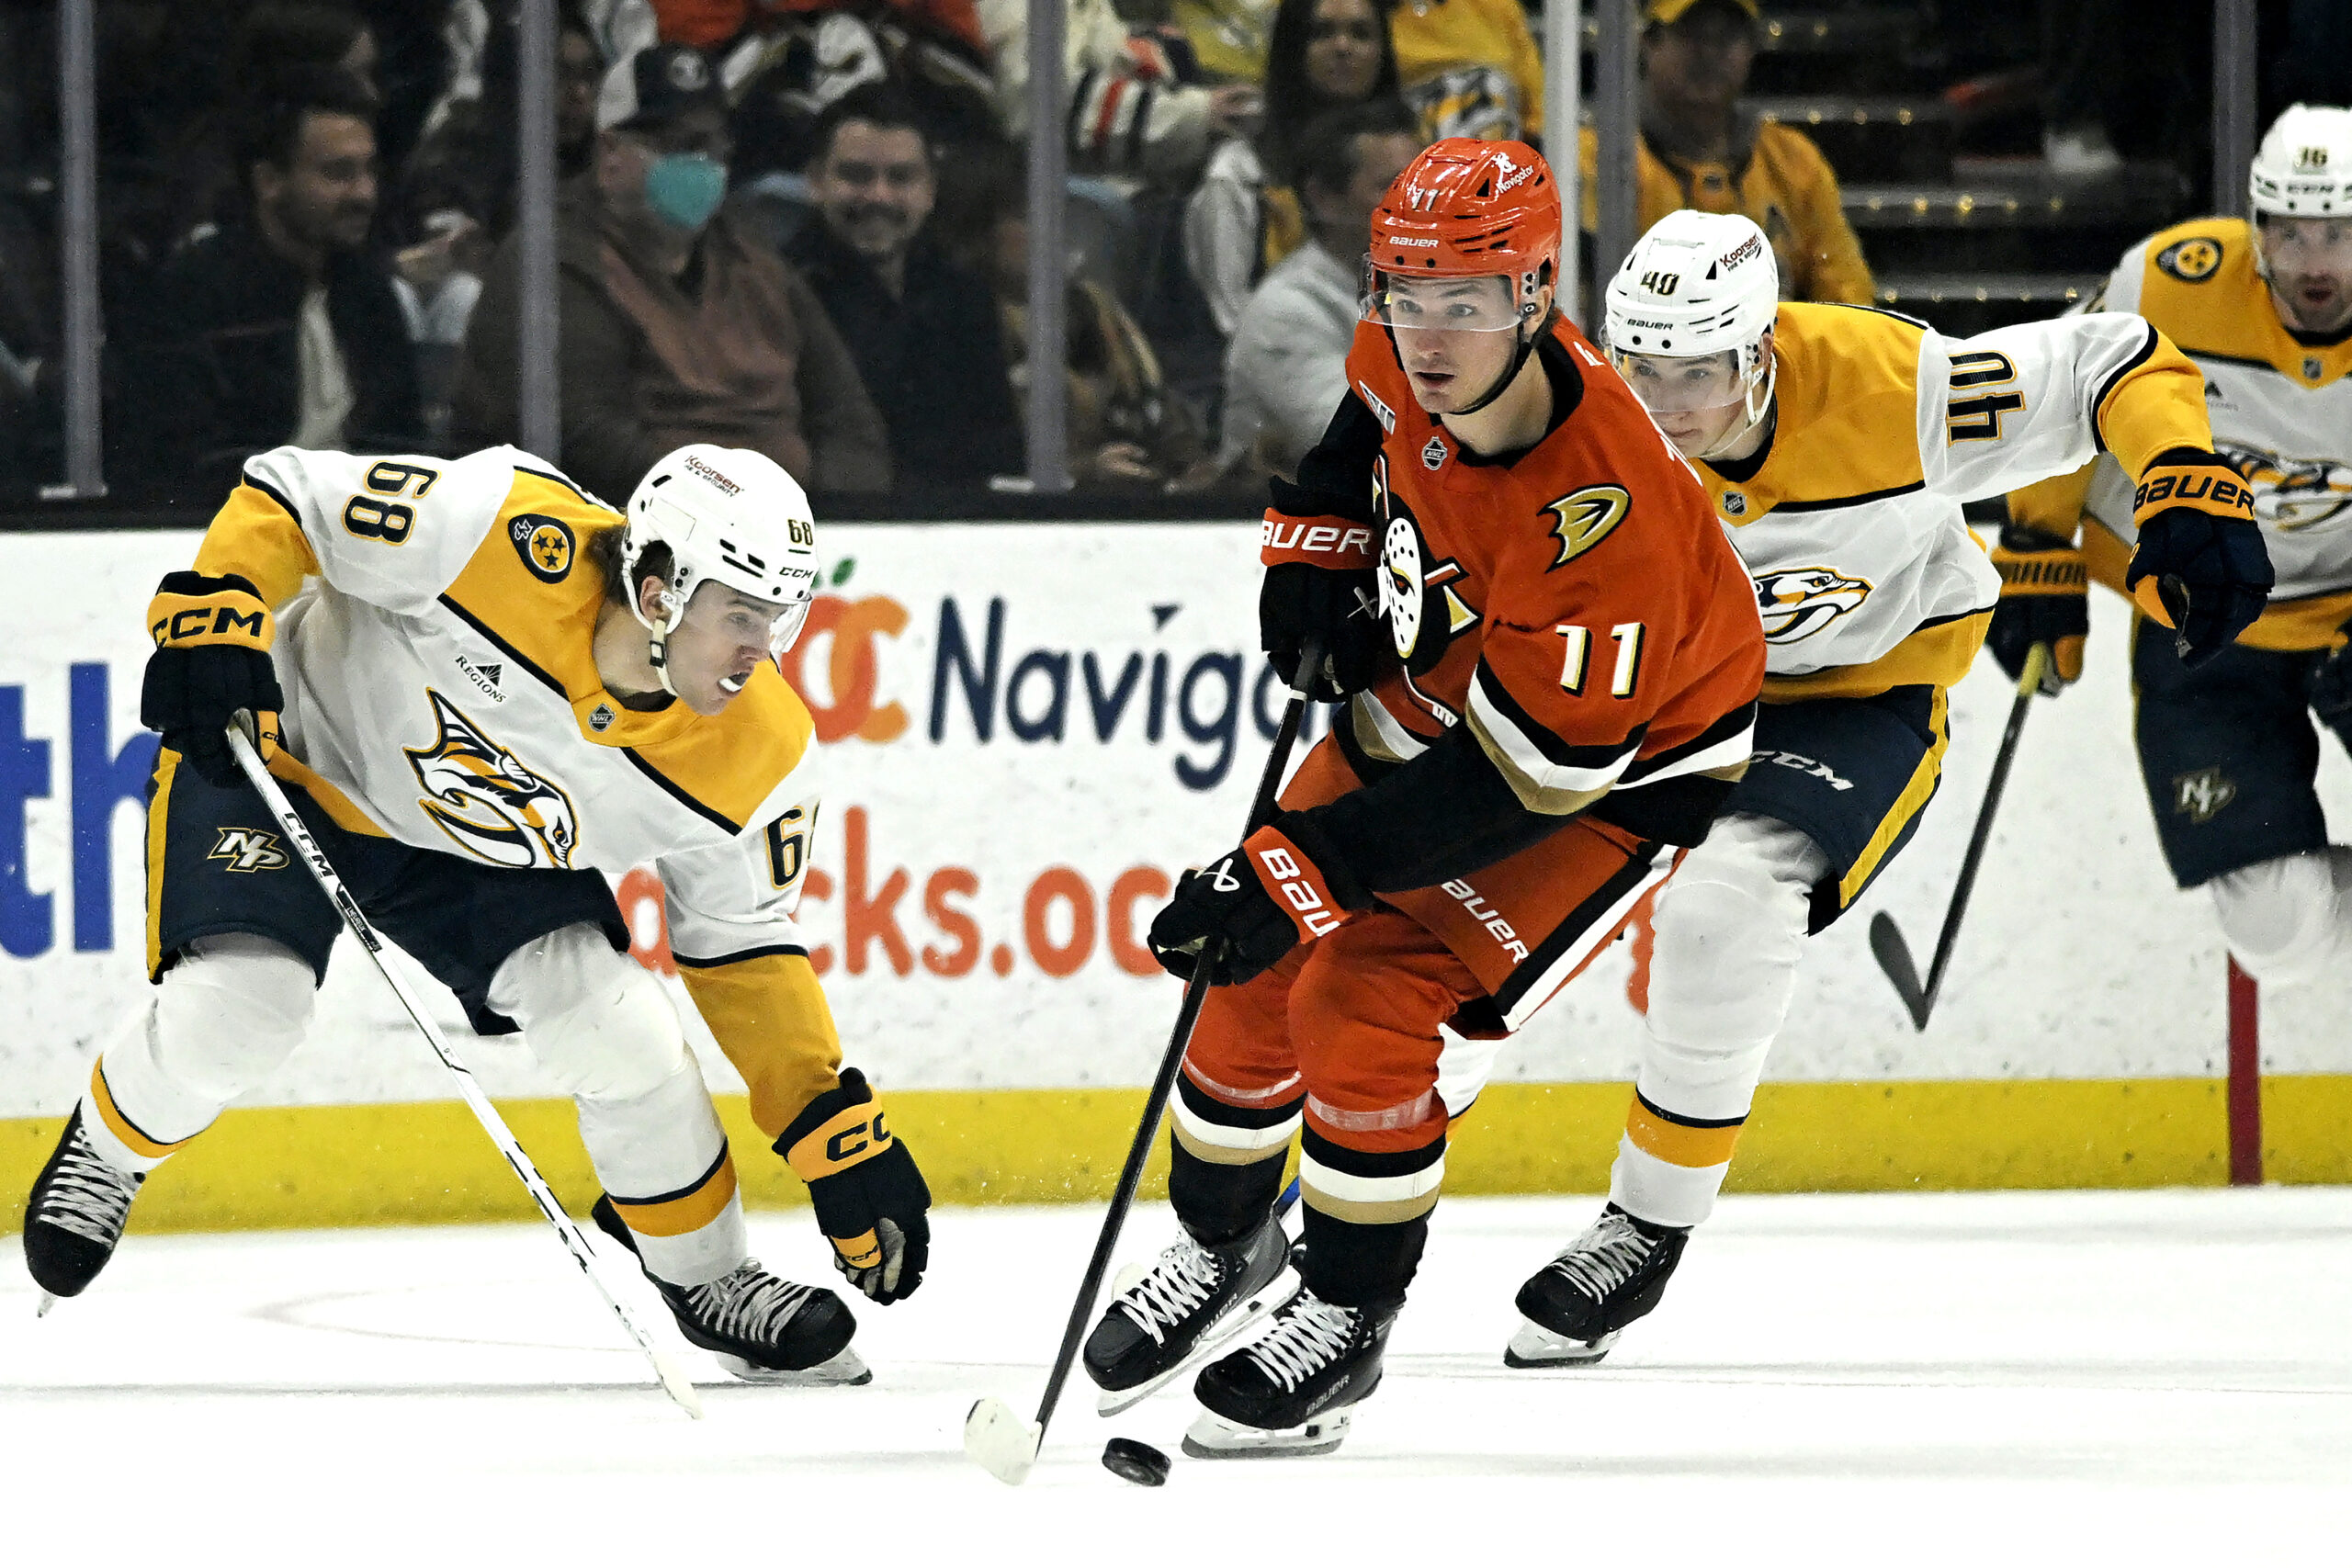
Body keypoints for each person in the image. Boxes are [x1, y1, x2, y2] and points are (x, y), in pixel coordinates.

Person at [1081, 141, 1768, 1457]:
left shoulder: (1603, 512)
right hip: (1464, 669)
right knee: (1244, 976)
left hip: (1619, 766)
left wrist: (1301, 871)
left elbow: (1531, 777)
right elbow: (1362, 433)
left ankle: (1345, 1314)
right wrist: (1312, 564)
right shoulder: (1405, 348)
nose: (1430, 332)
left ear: (1536, 293)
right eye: (1406, 291)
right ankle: (1223, 1250)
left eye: (1468, 298)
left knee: (1363, 994)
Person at [1502, 208, 2270, 1370]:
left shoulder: (1894, 388)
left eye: (1699, 374)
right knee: (1460, 928)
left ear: (1761, 350)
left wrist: (2179, 473)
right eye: (1641, 371)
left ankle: (1646, 1223)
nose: (1665, 410)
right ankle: (1341, 1219)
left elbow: (2114, 352)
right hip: (1648, 705)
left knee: (1722, 908)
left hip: (1858, 695)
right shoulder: (1569, 423)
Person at [20, 439, 933, 1384]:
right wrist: (221, 613)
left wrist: (824, 1125)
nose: (764, 651)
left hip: (475, 849)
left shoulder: (762, 751)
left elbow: (744, 945)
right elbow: (289, 492)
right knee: (240, 1015)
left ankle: (707, 1279)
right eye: (740, 616)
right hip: (287, 760)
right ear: (659, 588)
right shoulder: (493, 526)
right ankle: (109, 1147)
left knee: (621, 1029)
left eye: (779, 618)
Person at [1999, 105, 2352, 998]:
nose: (2315, 261)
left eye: (2341, 233)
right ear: (2255, 228)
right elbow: (2057, 393)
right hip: (2202, 617)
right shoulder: (2169, 283)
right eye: (2293, 232)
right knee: (2275, 934)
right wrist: (2035, 553)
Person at [451, 44, 892, 504]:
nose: (702, 164)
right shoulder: (547, 260)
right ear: (610, 153)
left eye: (713, 145)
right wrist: (727, 509)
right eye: (678, 145)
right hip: (634, 530)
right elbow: (586, 439)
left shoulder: (752, 253)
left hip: (796, 532)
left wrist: (834, 508)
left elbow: (848, 418)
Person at [115, 68, 423, 504]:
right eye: (338, 173)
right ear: (268, 181)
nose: (364, 193)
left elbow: (408, 449)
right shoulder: (194, 297)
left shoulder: (370, 296)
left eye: (369, 171)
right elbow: (176, 470)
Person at [788, 85, 1024, 490]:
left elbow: (1001, 450)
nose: (879, 195)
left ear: (931, 189)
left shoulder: (964, 294)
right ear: (815, 181)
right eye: (856, 175)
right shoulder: (777, 291)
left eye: (901, 178)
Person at [1576, 0, 1873, 307]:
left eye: (1727, 37)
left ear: (1751, 48)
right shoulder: (1595, 158)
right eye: (1692, 34)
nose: (1709, 53)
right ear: (1648, 41)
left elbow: (1849, 297)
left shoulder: (1793, 160)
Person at [1219, 100, 1418, 477]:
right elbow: (1369, 446)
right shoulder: (1283, 311)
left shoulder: (1442, 293)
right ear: (1323, 198)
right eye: (1392, 187)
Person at [1184, 0, 1402, 339]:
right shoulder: (1238, 175)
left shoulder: (1417, 166)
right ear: (1293, 48)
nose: (1343, 47)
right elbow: (1233, 323)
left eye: (1360, 34)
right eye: (1322, 33)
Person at [1388, 0, 1543, 143]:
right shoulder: (1375, 15)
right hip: (1407, 154)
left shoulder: (1496, 6)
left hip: (1505, 155)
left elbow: (1536, 115)